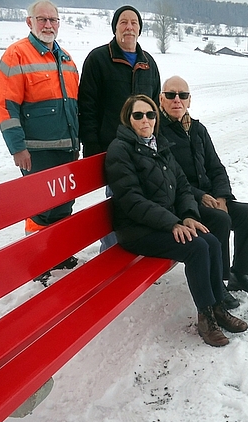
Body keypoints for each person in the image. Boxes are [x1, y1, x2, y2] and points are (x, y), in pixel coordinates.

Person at [105, 95, 248, 347]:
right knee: (196, 247)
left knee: (212, 242)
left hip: (166, 221)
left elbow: (182, 186)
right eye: (138, 115)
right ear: (128, 119)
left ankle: (217, 308)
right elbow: (132, 200)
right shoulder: (120, 150)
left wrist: (189, 216)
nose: (145, 120)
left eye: (150, 114)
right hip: (137, 229)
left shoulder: (159, 144)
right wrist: (173, 223)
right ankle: (205, 318)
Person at [159, 76, 248, 308]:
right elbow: (171, 179)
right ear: (161, 99)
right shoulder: (159, 133)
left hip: (211, 198)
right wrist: (200, 196)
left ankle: (239, 274)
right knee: (220, 219)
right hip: (183, 203)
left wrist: (222, 196)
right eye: (171, 95)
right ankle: (219, 282)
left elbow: (217, 167)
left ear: (189, 101)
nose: (177, 100)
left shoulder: (198, 130)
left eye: (183, 95)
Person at [0, 0, 80, 283]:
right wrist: (18, 147)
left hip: (67, 148)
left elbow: (75, 106)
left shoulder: (66, 59)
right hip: (36, 152)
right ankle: (38, 260)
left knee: (64, 204)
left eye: (53, 20)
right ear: (29, 22)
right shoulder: (16, 55)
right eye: (41, 19)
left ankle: (60, 252)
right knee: (40, 208)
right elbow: (5, 106)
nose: (48, 25)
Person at [78, 5, 161, 251]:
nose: (129, 27)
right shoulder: (98, 59)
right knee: (118, 200)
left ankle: (141, 248)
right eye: (123, 22)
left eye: (134, 23)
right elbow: (87, 106)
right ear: (115, 28)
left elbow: (155, 106)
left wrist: (158, 141)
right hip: (112, 147)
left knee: (145, 198)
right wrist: (92, 146)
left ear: (140, 29)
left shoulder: (148, 63)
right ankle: (112, 252)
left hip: (145, 147)